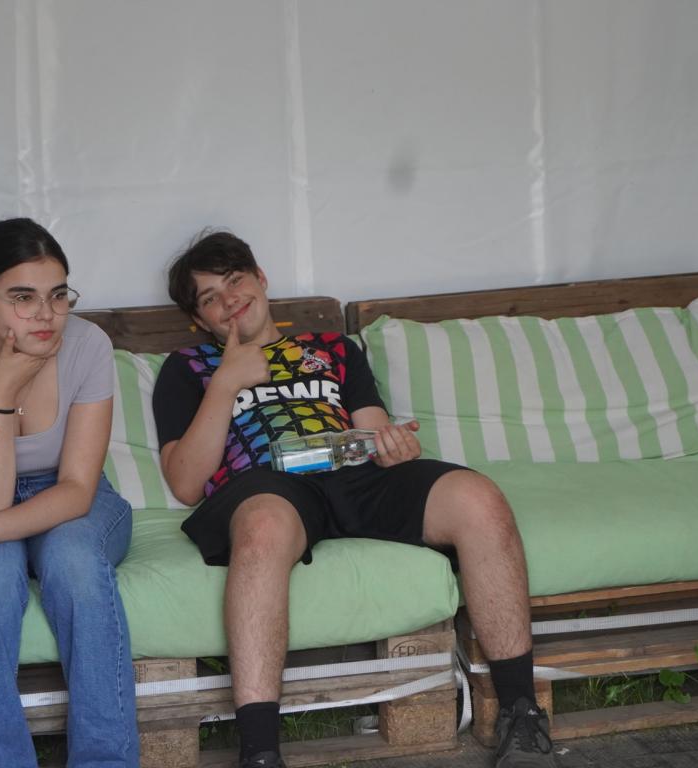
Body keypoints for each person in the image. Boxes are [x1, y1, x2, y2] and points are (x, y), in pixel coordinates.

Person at [151, 231, 557, 768]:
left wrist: (393, 447)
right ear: (199, 319)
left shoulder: (332, 349)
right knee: (264, 528)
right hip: (269, 487)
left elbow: (373, 431)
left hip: (355, 473)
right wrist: (226, 384)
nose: (229, 300)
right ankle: (260, 752)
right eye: (210, 297)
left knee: (479, 498)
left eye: (235, 281)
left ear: (261, 279)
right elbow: (185, 482)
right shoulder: (188, 367)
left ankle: (521, 713)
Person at [0, 217, 138, 767]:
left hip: (67, 491)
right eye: (22, 297)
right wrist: (1, 396)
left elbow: (78, 489)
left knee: (74, 559)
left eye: (57, 295)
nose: (46, 314)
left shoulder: (87, 344)